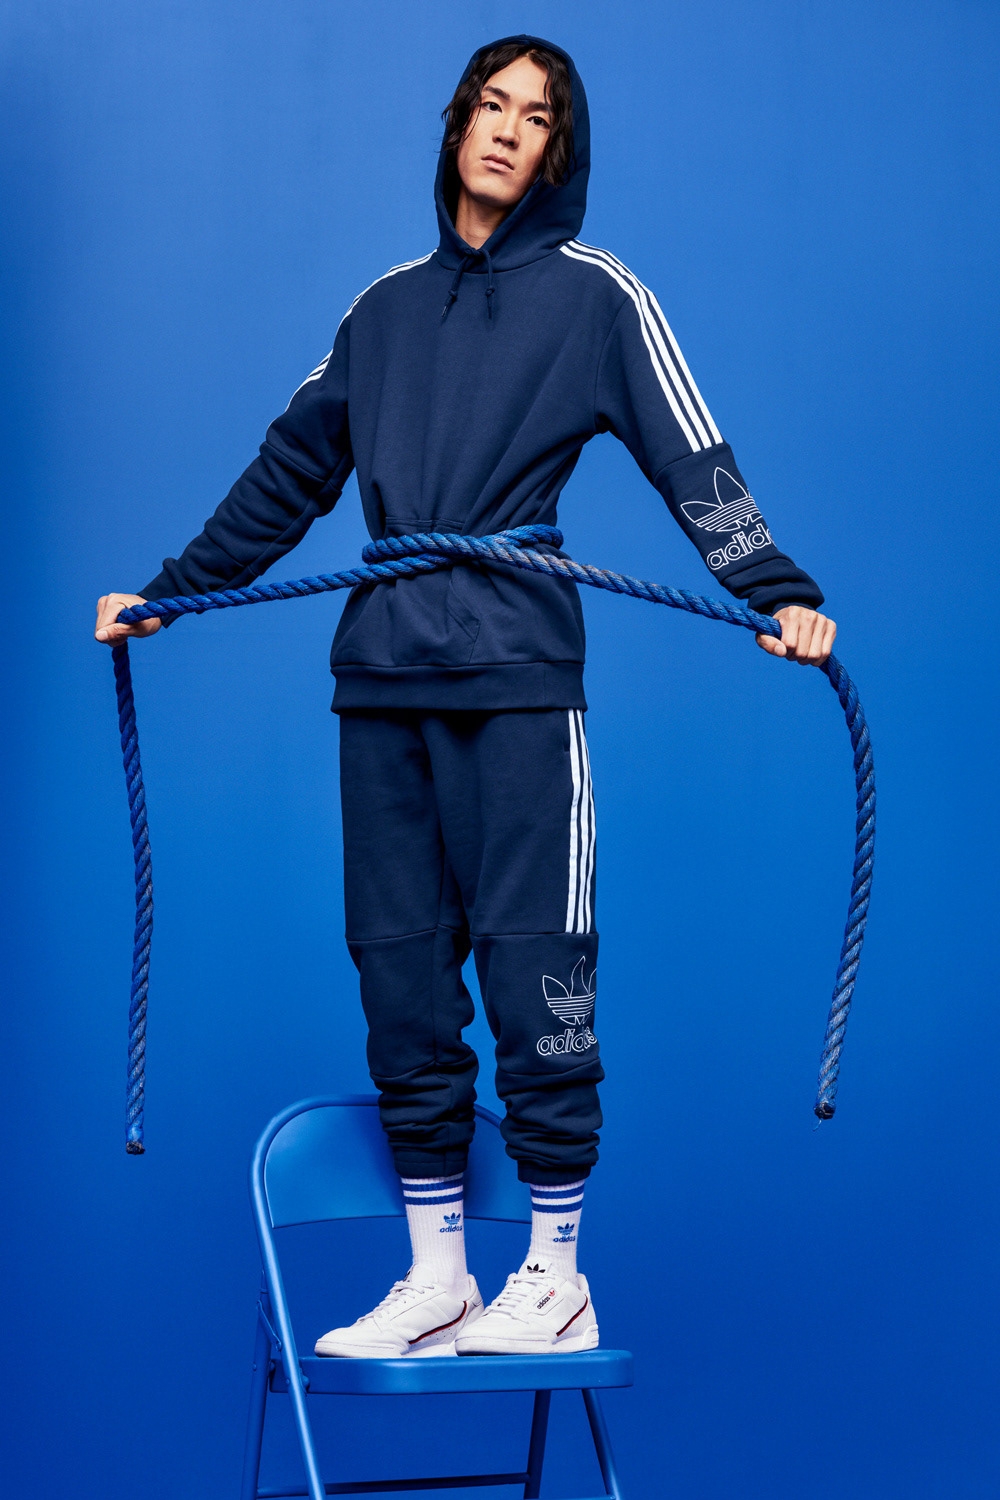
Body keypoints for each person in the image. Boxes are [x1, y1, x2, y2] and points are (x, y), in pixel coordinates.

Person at [95, 36, 836, 1358]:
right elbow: (288, 473)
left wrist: (775, 589)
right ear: (455, 127)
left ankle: (554, 1274)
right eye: (489, 106)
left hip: (519, 678)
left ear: (560, 151)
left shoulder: (598, 297)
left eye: (534, 117)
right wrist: (174, 591)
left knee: (536, 964)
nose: (505, 130)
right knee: (398, 976)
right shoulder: (380, 311)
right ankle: (436, 1274)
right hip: (379, 678)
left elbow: (693, 455)